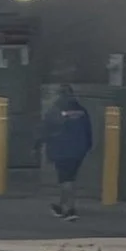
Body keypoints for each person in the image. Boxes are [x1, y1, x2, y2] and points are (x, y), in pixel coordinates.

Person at [41, 84, 95, 220]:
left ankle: (70, 209)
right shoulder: (82, 110)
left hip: (62, 150)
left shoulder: (55, 110)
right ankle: (61, 206)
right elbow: (88, 131)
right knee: (69, 179)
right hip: (78, 151)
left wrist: (42, 148)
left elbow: (46, 131)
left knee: (66, 181)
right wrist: (86, 147)